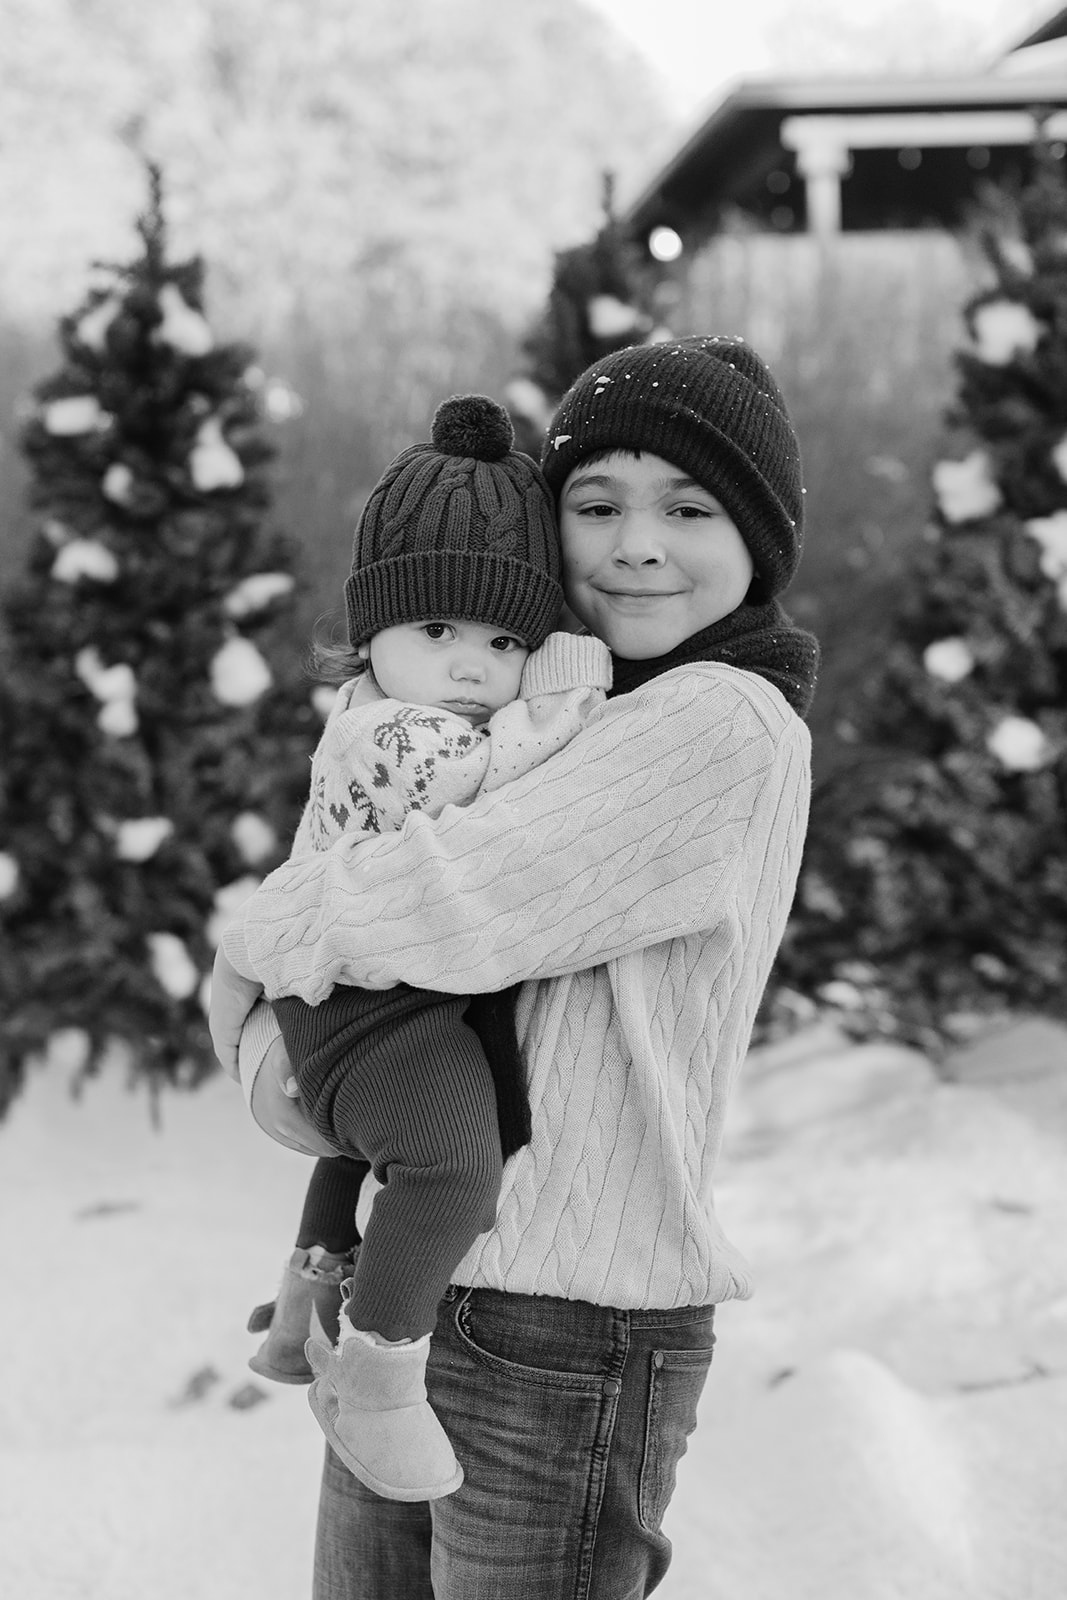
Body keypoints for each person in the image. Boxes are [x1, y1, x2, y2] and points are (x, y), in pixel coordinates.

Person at [210, 334, 819, 1599]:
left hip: (567, 1330)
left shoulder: (718, 721)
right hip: (425, 1277)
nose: (637, 543)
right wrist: (288, 1042)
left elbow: (449, 901)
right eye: (595, 505)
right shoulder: (553, 709)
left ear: (758, 537)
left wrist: (251, 953)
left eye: (689, 507)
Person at [225, 393, 610, 1502]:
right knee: (448, 1165)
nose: (471, 666)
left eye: (503, 641)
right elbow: (490, 787)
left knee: (365, 1154)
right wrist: (565, 689)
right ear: (372, 631)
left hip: (361, 988)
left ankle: (307, 1300)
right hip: (369, 1002)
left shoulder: (374, 701)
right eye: (435, 631)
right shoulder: (396, 731)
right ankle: (379, 1375)